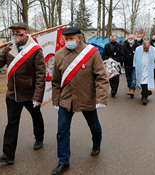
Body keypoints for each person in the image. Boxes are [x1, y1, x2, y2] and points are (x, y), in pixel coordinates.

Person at [0, 22, 46, 164]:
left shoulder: (35, 50)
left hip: (30, 94)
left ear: (25, 33)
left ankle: (39, 137)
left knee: (36, 117)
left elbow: (41, 75)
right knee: (12, 123)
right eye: (13, 33)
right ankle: (8, 154)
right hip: (13, 94)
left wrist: (38, 97)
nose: (15, 35)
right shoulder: (8, 48)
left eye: (18, 32)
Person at [51, 27, 109, 175]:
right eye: (66, 39)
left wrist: (101, 98)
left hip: (87, 97)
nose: (68, 41)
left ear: (79, 38)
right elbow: (56, 81)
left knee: (94, 126)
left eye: (71, 38)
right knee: (62, 131)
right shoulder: (59, 55)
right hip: (66, 100)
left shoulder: (92, 53)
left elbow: (101, 77)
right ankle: (63, 161)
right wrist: (56, 101)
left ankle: (97, 144)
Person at [133, 40, 155, 105]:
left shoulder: (154, 50)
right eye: (144, 48)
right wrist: (135, 66)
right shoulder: (138, 49)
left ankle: (144, 97)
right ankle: (145, 93)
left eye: (147, 48)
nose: (145, 49)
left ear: (149, 46)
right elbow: (135, 58)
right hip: (140, 69)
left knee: (146, 83)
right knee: (142, 83)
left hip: (149, 69)